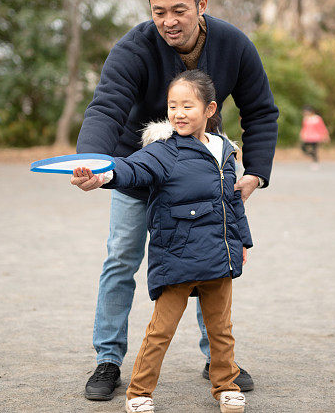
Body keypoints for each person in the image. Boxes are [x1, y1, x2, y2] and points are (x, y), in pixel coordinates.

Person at [74, 0, 279, 401]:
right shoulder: (133, 48)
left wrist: (256, 173)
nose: (168, 21)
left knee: (210, 260)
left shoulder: (234, 45)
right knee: (121, 258)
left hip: (200, 169)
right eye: (158, 11)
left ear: (201, 4)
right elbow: (107, 105)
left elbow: (260, 110)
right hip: (138, 163)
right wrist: (92, 161)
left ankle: (217, 360)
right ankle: (109, 359)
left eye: (179, 11)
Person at [72, 70, 250, 413]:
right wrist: (102, 175)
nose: (178, 113)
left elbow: (232, 204)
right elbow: (130, 169)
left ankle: (225, 385)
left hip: (219, 256)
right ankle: (139, 391)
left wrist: (242, 243)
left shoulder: (226, 152)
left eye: (187, 106)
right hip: (178, 256)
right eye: (172, 106)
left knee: (221, 329)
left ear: (210, 109)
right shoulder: (164, 151)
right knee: (161, 330)